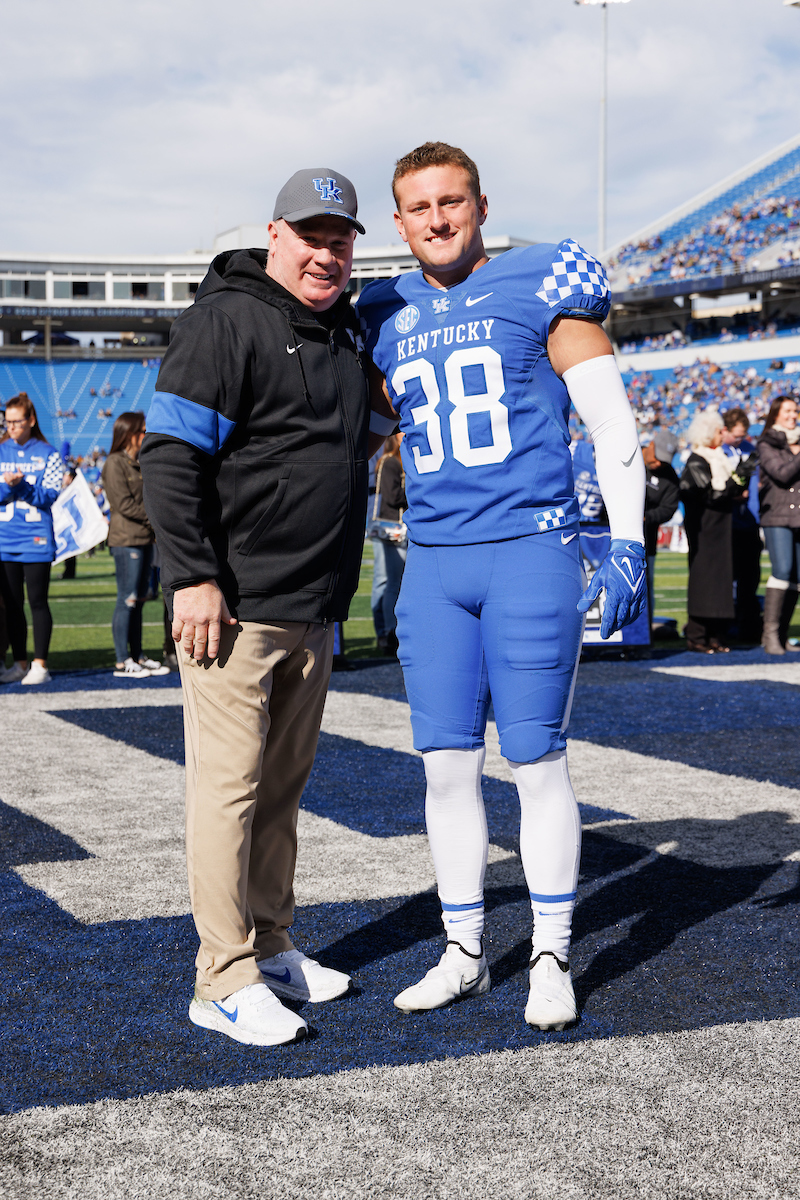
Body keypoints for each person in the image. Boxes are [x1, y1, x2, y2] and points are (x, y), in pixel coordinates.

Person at [356, 142, 646, 1031]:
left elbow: (610, 420)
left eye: (452, 201)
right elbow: (350, 437)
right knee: (445, 768)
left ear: (480, 204)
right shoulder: (382, 310)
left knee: (536, 760)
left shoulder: (537, 281)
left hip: (529, 549)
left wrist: (628, 541)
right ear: (398, 222)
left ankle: (552, 951)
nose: (437, 219)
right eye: (419, 207)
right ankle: (465, 951)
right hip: (435, 562)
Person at [140, 167, 379, 1048]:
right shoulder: (222, 319)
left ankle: (271, 942)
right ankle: (221, 976)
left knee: (280, 792)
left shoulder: (346, 329)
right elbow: (170, 457)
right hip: (233, 607)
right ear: (273, 235)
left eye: (341, 238)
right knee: (228, 795)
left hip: (313, 606)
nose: (326, 252)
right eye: (311, 235)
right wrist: (193, 576)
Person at [0, 392, 62, 685]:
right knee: (12, 604)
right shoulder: (1, 450)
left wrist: (20, 485)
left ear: (31, 420)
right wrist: (9, 488)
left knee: (37, 602)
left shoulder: (49, 453)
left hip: (36, 539)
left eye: (16, 421)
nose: (10, 427)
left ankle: (41, 664)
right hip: (5, 540)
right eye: (7, 422)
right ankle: (20, 662)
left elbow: (49, 496)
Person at [101, 412, 168, 679]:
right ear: (129, 433)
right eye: (142, 431)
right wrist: (156, 518)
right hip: (126, 539)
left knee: (139, 601)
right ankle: (122, 659)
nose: (146, 434)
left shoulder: (138, 461)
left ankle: (137, 655)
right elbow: (123, 504)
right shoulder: (114, 463)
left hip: (144, 539)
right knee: (126, 599)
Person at [679, 408, 749, 654]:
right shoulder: (697, 460)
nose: (723, 433)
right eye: (719, 430)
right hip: (705, 529)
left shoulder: (717, 456)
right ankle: (697, 635)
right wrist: (735, 481)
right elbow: (711, 495)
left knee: (721, 581)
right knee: (704, 580)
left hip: (721, 527)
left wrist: (738, 482)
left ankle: (716, 635)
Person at [757, 395, 800, 654]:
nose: (793, 415)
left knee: (797, 576)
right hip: (776, 515)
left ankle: (782, 634)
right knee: (782, 569)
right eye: (788, 411)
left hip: (798, 517)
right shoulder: (766, 442)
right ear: (775, 414)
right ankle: (769, 634)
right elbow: (782, 474)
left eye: (795, 411)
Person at [721, 407, 762, 643]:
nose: (740, 440)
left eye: (743, 436)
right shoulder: (719, 451)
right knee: (729, 577)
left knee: (750, 577)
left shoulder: (750, 449)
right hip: (727, 523)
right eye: (736, 436)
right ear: (725, 430)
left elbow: (754, 489)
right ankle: (726, 626)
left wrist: (755, 518)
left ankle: (748, 628)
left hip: (748, 523)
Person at [370, 432, 407, 655]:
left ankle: (386, 632)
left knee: (386, 582)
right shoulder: (390, 461)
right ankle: (387, 632)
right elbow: (392, 497)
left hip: (392, 527)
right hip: (390, 528)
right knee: (388, 582)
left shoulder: (393, 461)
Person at [642, 428, 680, 623]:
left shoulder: (670, 477)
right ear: (651, 445)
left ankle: (645, 631)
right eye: (657, 458)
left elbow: (668, 509)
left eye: (664, 462)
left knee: (646, 583)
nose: (658, 464)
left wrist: (645, 517)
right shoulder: (628, 457)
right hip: (607, 532)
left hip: (646, 539)